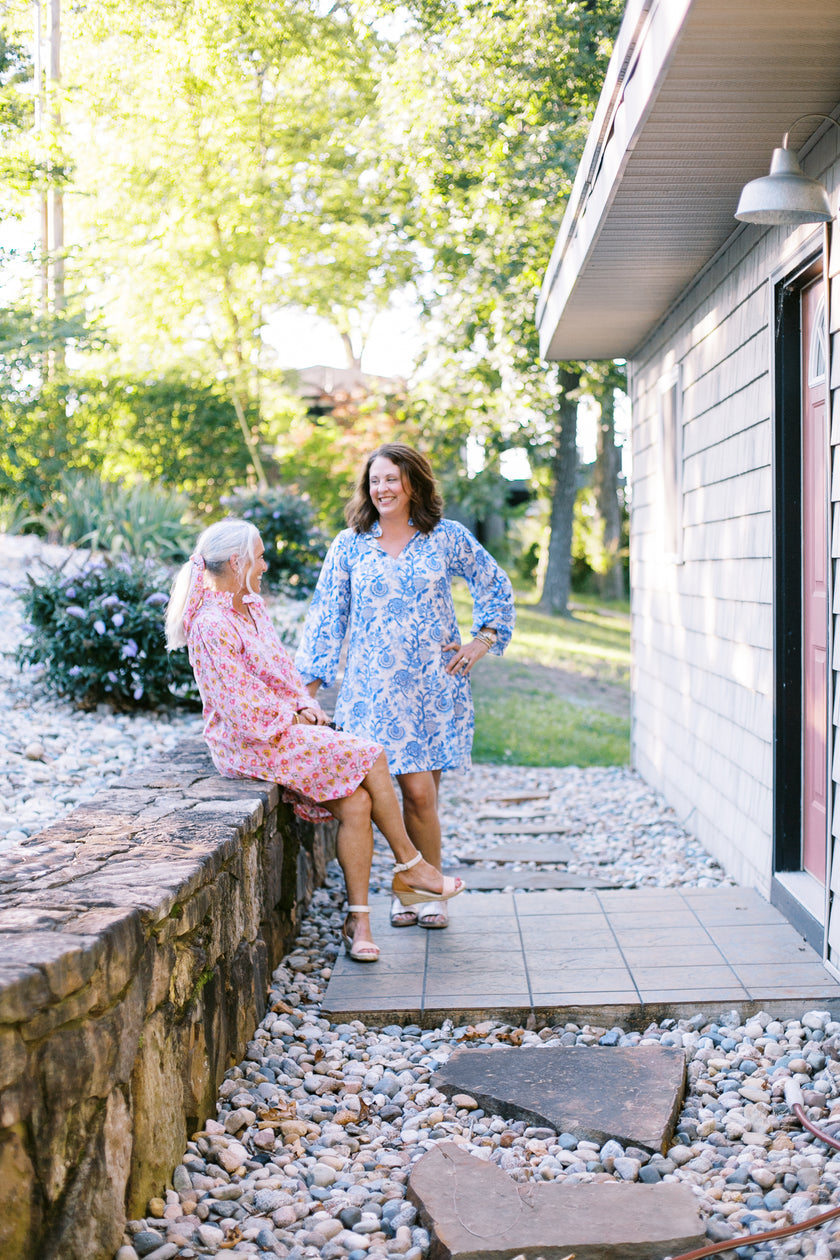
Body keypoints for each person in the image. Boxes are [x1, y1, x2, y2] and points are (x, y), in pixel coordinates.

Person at [164, 517, 463, 963]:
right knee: (371, 753)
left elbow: (282, 672)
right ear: (236, 561)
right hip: (248, 742)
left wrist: (303, 704)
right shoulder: (210, 625)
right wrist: (293, 716)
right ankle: (410, 864)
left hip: (281, 727)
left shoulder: (248, 606)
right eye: (260, 556)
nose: (265, 565)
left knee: (358, 804)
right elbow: (239, 707)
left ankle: (358, 921)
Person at [295, 443, 515, 930]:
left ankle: (417, 891)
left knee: (420, 795)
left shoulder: (446, 537)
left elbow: (494, 583)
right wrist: (304, 692)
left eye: (392, 479)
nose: (382, 488)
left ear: (413, 482)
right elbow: (327, 619)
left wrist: (482, 640)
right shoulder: (350, 544)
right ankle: (411, 880)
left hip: (432, 688)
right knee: (382, 798)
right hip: (370, 692)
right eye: (375, 480)